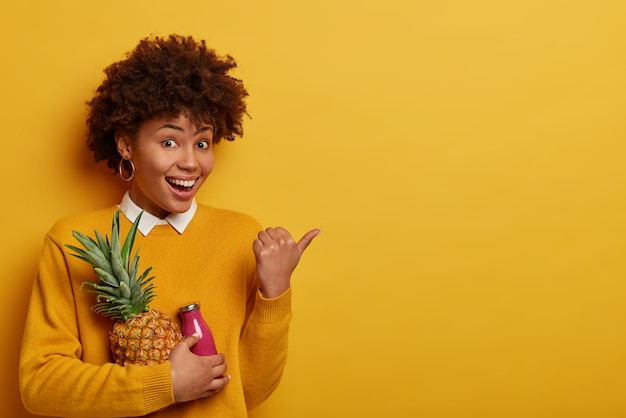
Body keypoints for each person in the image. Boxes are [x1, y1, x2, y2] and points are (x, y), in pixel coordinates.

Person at [19, 34, 319, 417]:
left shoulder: (241, 235)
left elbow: (250, 390)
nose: (191, 163)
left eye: (203, 143)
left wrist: (275, 292)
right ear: (127, 146)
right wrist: (165, 385)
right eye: (170, 142)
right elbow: (39, 386)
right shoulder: (73, 242)